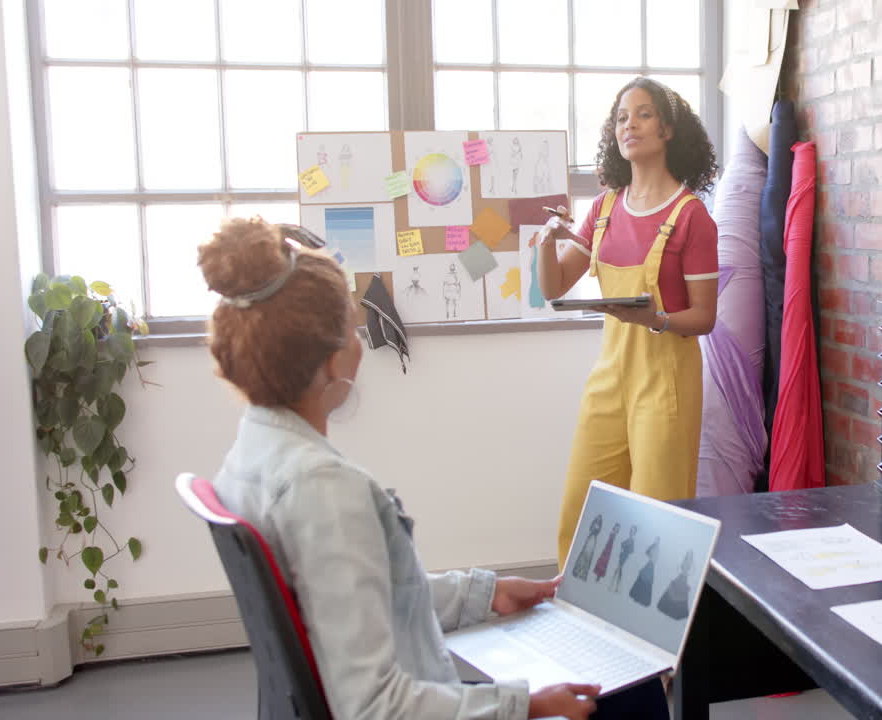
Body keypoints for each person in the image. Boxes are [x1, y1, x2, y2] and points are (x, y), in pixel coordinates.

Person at [198, 217, 666, 720]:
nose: (358, 339)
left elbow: (362, 596)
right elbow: (376, 706)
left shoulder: (252, 454)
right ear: (334, 360)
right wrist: (524, 707)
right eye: (352, 328)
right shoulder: (326, 492)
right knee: (630, 694)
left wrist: (487, 593)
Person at [537, 77, 720, 565]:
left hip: (666, 383)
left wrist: (655, 319)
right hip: (610, 379)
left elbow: (704, 317)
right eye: (621, 117)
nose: (629, 125)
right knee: (581, 511)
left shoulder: (690, 216)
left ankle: (657, 635)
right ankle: (575, 621)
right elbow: (554, 287)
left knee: (655, 521)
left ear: (666, 129)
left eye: (641, 114)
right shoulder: (603, 209)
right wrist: (543, 242)